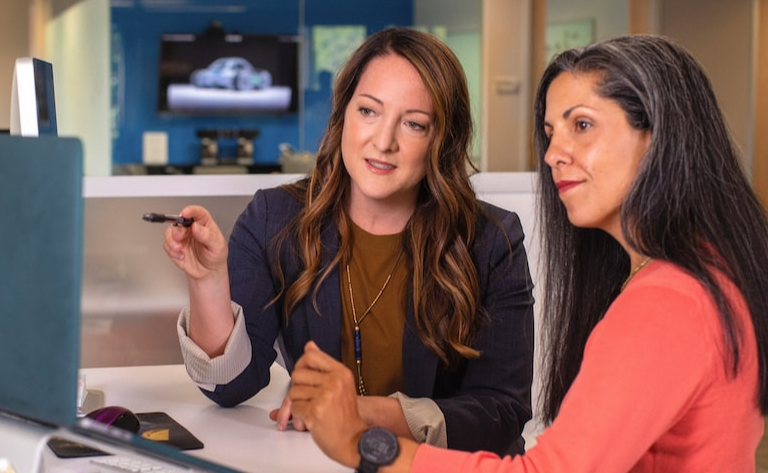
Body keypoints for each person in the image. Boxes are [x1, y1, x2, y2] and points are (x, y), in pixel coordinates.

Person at [286, 34, 768, 472]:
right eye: (551, 131)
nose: (554, 152)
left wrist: (361, 444)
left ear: (659, 137)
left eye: (582, 125)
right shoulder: (704, 273)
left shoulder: (669, 302)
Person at [163, 27, 535, 455]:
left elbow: (501, 411)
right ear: (343, 115)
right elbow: (230, 386)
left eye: (413, 124)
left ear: (441, 140)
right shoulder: (274, 219)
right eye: (369, 111)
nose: (383, 142)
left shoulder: (491, 240)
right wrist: (208, 281)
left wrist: (360, 412)